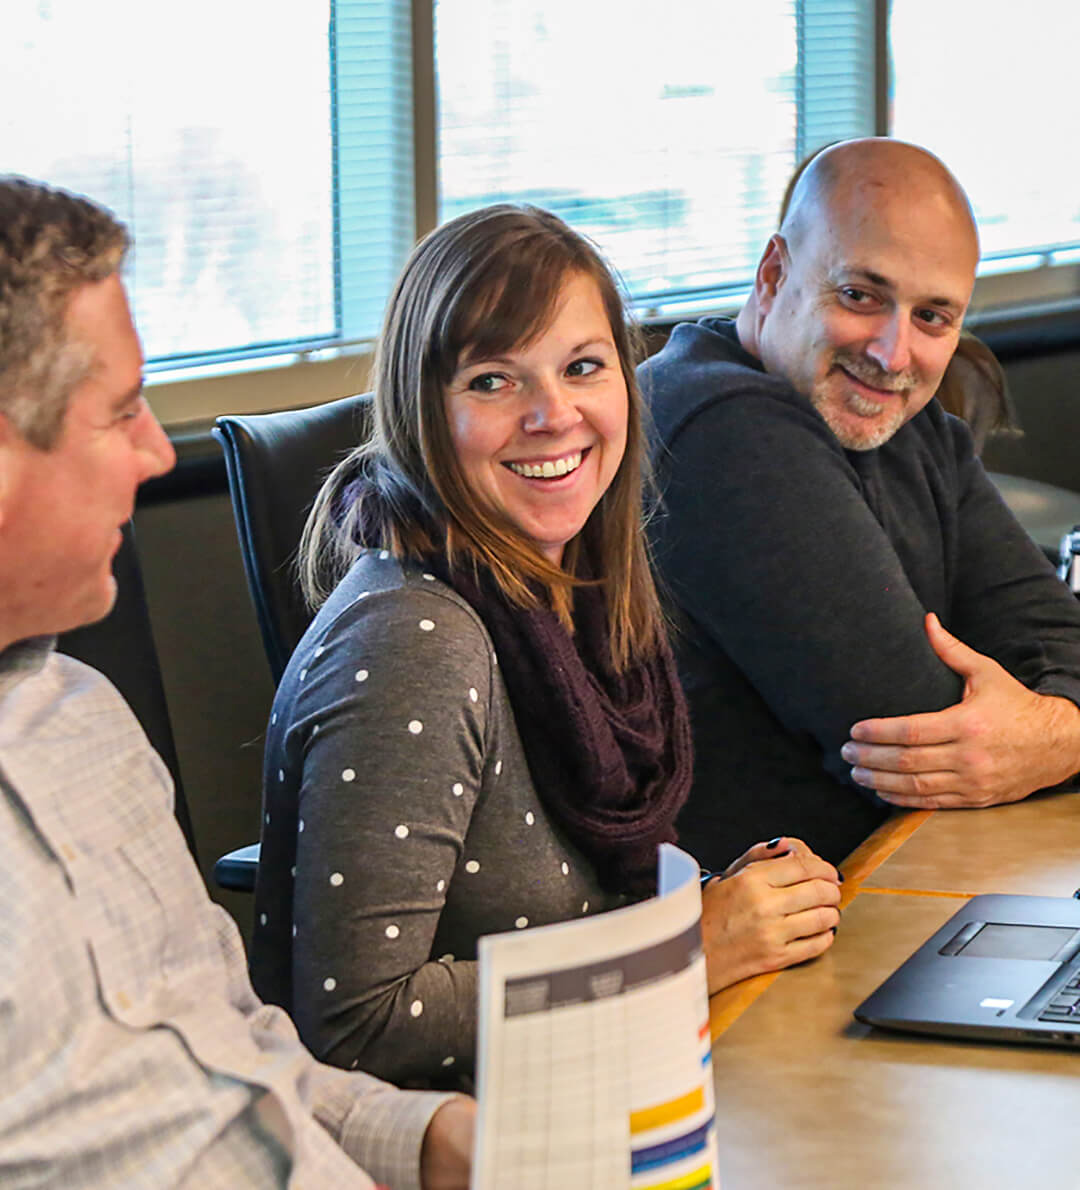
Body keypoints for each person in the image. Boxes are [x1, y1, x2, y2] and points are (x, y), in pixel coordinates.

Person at [0, 166, 473, 1189]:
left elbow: (238, 1060)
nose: (152, 457)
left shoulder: (71, 713)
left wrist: (434, 1140)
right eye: (120, 411)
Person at [250, 204, 842, 1089]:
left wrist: (724, 899)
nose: (552, 414)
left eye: (583, 367)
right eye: (493, 381)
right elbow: (355, 1025)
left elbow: (573, 906)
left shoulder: (576, 600)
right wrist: (684, 952)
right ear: (424, 409)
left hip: (594, 1087)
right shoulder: (416, 640)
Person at [639, 138, 1080, 872]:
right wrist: (1045, 732)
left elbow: (1056, 635)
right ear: (775, 274)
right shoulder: (716, 422)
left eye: (934, 317)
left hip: (905, 886)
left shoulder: (912, 428)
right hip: (759, 942)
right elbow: (915, 744)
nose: (893, 351)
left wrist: (1053, 735)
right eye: (860, 296)